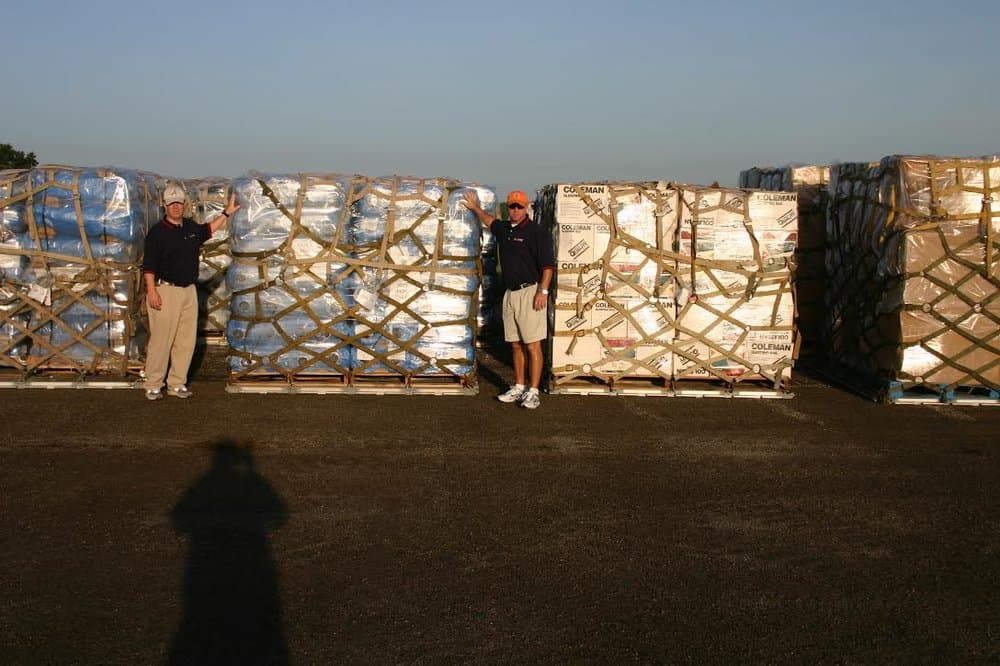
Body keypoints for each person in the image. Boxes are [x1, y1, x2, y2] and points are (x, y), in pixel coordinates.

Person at [142, 183, 238, 400]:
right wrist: (152, 292)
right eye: (171, 204)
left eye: (179, 203)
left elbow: (208, 230)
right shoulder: (157, 234)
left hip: (188, 291)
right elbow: (148, 266)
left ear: (184, 205)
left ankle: (177, 383)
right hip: (166, 290)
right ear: (165, 206)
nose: (176, 207)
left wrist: (226, 213)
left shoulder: (189, 228)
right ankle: (153, 383)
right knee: (161, 339)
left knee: (185, 340)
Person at [464, 189, 553, 409]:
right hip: (510, 294)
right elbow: (490, 221)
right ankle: (519, 386)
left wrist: (543, 292)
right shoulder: (504, 229)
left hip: (530, 293)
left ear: (526, 209)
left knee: (532, 344)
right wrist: (475, 207)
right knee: (515, 344)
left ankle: (533, 391)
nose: (515, 210)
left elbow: (547, 267)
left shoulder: (536, 232)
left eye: (519, 207)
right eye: (512, 206)